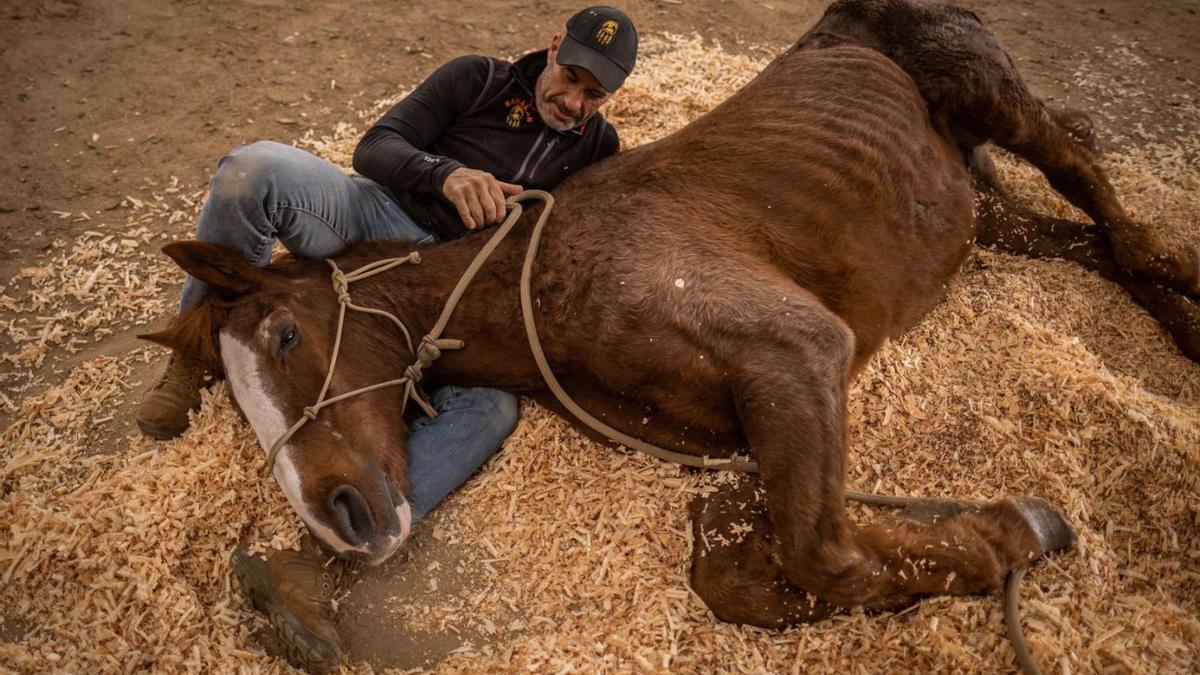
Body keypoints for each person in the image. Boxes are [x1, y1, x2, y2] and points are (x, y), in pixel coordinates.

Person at [138, 6, 638, 672]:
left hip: (449, 290)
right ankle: (192, 355)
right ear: (552, 49)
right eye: (569, 79)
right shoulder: (478, 80)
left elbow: (571, 247)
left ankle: (329, 549)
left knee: (491, 410)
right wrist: (446, 175)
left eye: (593, 95)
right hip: (375, 215)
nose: (573, 102)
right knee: (252, 171)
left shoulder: (599, 150)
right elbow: (375, 147)